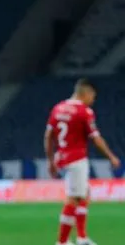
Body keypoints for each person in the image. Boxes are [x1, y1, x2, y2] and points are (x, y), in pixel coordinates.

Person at [44, 78, 120, 245]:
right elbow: (96, 138)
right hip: (76, 159)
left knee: (84, 193)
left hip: (62, 157)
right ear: (86, 93)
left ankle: (81, 237)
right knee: (74, 198)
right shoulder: (84, 112)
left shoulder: (58, 108)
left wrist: (50, 160)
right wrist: (111, 156)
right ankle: (62, 242)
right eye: (93, 97)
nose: (93, 101)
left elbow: (49, 136)